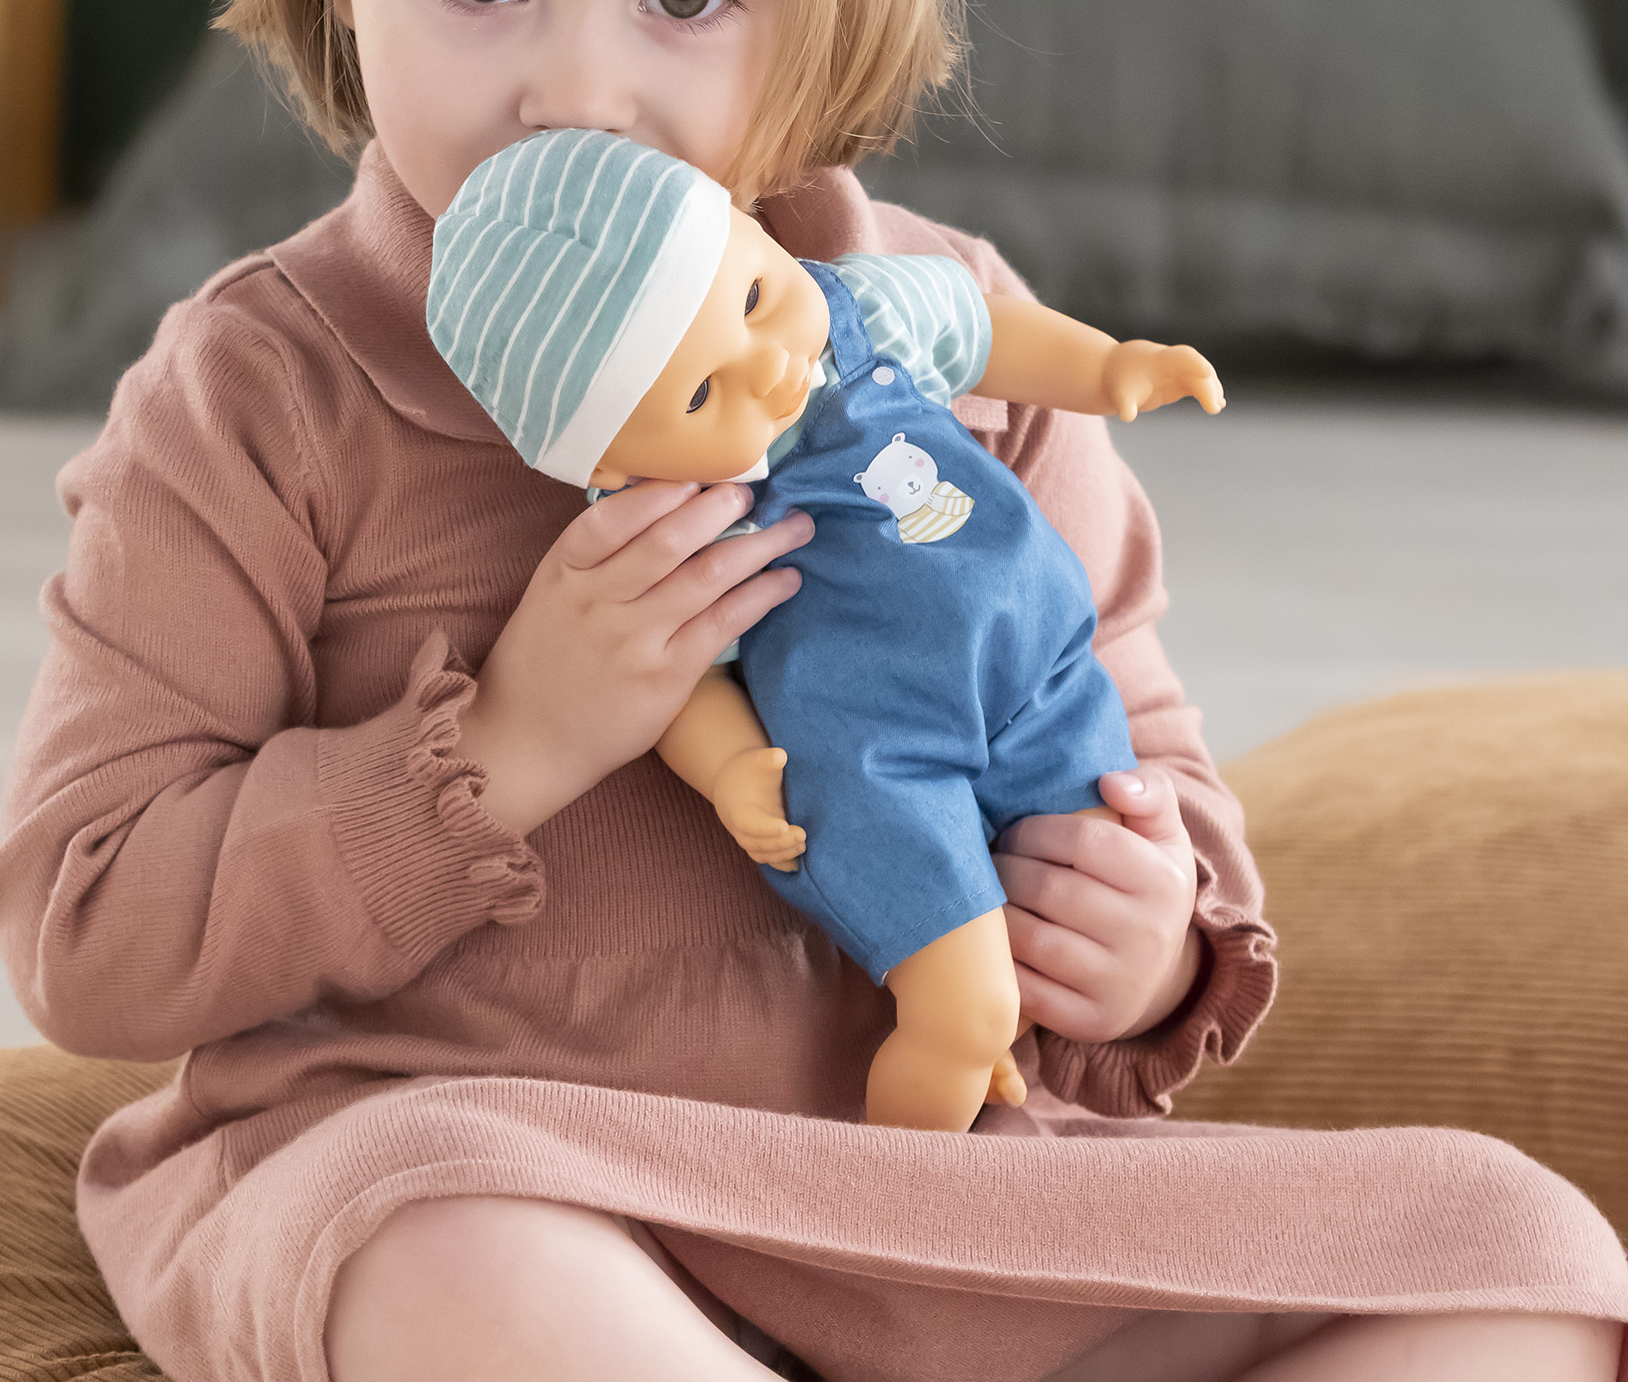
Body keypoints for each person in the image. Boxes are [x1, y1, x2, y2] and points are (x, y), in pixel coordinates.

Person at [0, 0, 1628, 1382]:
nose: (577, 92)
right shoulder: (256, 397)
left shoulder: (947, 333)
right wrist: (502, 745)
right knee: (447, 1239)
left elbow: (1124, 733)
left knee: (1519, 1252)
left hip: (916, 1202)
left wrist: (1146, 930)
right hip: (487, 1185)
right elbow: (83, 924)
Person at [423, 126, 1225, 1132]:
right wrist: (727, 768)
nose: (766, 368)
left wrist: (1107, 366)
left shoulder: (869, 304)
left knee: (1102, 880)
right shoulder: (669, 517)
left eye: (753, 297)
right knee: (966, 1007)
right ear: (613, 466)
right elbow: (670, 674)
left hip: (1044, 673)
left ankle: (1001, 1165)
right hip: (877, 761)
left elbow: (984, 333)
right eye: (699, 391)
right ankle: (890, 1197)